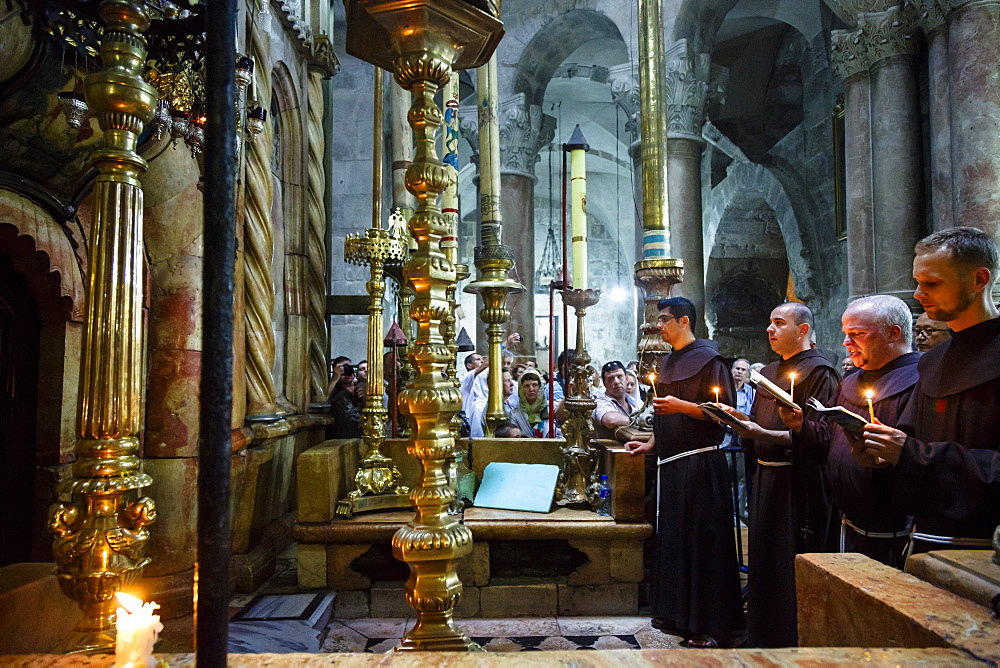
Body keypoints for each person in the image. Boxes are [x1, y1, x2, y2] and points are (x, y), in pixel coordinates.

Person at [858, 227, 1000, 555]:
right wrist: (881, 453)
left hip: (985, 552)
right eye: (918, 281)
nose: (919, 293)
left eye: (932, 283)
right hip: (927, 542)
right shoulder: (933, 361)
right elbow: (910, 444)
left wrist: (908, 453)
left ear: (979, 280)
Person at [624, 297, 740, 649]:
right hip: (672, 466)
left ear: (684, 321)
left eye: (664, 319)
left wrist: (684, 407)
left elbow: (726, 414)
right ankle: (676, 612)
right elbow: (663, 413)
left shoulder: (711, 361)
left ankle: (710, 624)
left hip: (701, 464)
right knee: (675, 541)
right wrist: (653, 443)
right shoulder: (669, 361)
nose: (659, 326)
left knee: (702, 544)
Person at [730, 301, 840, 648]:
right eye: (769, 322)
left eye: (779, 323)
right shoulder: (772, 372)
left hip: (797, 485)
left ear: (803, 329)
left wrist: (774, 432)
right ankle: (762, 634)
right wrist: (738, 419)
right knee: (764, 560)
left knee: (787, 562)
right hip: (766, 479)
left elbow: (823, 435)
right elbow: (760, 423)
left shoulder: (820, 372)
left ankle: (790, 639)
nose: (770, 329)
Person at [780, 295, 917, 568]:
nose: (846, 343)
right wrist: (801, 426)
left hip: (893, 534)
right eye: (846, 334)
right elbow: (828, 441)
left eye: (857, 334)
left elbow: (922, 456)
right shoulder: (851, 382)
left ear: (893, 333)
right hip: (847, 523)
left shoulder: (920, 379)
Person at [721, 358, 754, 525]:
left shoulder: (751, 392)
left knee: (740, 479)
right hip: (724, 440)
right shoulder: (724, 390)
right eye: (737, 368)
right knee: (723, 478)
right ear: (731, 370)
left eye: (743, 370)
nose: (739, 372)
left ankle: (738, 515)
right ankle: (722, 513)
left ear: (747, 375)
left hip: (741, 440)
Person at [592, 360, 641, 440]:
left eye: (619, 377)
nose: (616, 382)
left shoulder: (635, 403)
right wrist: (639, 422)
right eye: (611, 379)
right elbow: (610, 420)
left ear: (626, 378)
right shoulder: (600, 402)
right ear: (604, 383)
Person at [509, 369, 558, 437]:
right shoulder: (515, 414)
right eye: (527, 386)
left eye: (534, 385)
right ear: (521, 389)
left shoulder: (552, 407)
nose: (531, 389)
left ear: (540, 387)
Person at [468, 369, 516, 438]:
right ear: (496, 385)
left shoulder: (510, 404)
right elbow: (477, 435)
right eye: (507, 381)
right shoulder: (480, 408)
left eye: (511, 380)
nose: (512, 384)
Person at [330, 374, 364, 439]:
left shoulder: (359, 390)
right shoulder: (335, 393)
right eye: (343, 371)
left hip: (360, 434)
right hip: (343, 435)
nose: (347, 372)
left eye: (349, 368)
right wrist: (334, 379)